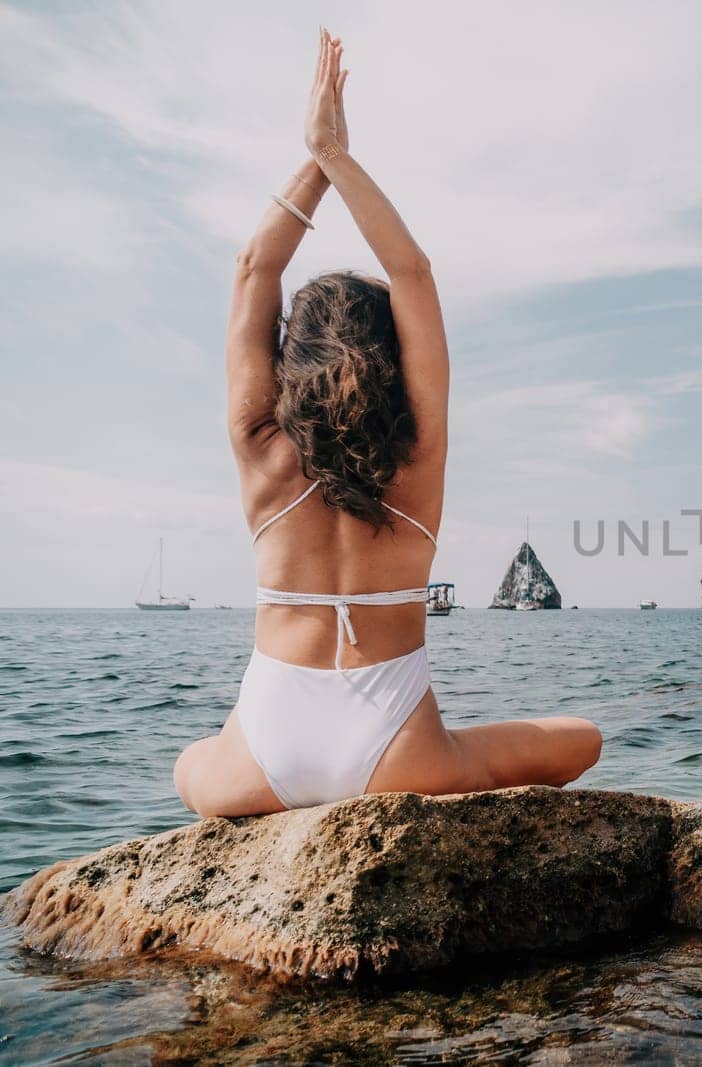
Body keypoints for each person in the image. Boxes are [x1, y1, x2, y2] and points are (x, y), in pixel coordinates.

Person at [174, 30, 601, 817]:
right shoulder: (417, 457)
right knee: (583, 737)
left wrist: (314, 161)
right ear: (389, 362)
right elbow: (413, 272)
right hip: (401, 755)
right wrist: (340, 155)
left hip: (263, 759)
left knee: (187, 764)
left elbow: (252, 269)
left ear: (288, 366)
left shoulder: (261, 452)